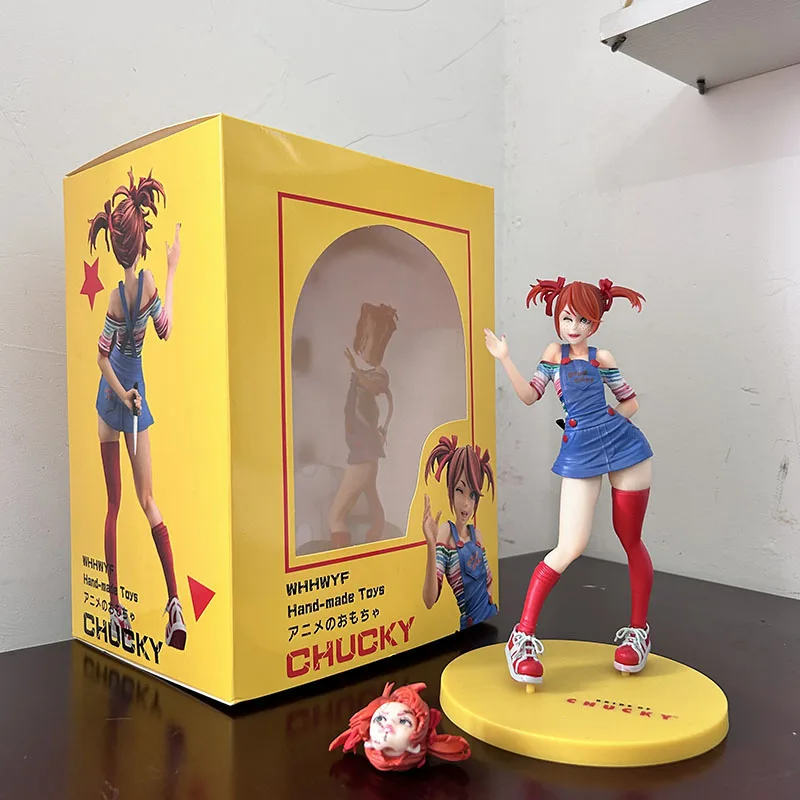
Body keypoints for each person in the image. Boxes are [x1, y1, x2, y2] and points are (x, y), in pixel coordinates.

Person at [484, 276, 654, 686]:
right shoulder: (553, 355)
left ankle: (638, 633)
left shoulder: (602, 357)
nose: (573, 327)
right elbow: (530, 395)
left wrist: (608, 424)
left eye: (583, 320)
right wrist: (504, 359)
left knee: (630, 539)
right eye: (566, 317)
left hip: (625, 447)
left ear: (595, 323)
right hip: (580, 452)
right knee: (570, 546)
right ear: (555, 316)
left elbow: (629, 401)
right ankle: (521, 637)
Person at [89, 167, 187, 651]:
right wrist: (172, 269)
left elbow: (102, 356)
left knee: (117, 503)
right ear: (141, 238)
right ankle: (173, 605)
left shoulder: (114, 297)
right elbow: (165, 329)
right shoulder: (148, 287)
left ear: (115, 244)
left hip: (114, 399)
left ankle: (115, 606)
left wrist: (121, 394)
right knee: (146, 500)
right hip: (131, 396)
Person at [328, 302, 397, 548]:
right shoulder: (364, 373)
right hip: (361, 447)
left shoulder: (378, 373)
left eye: (369, 340)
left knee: (336, 516)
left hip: (364, 450)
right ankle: (377, 528)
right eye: (363, 339)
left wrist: (355, 368)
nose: (364, 345)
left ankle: (341, 558)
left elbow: (376, 388)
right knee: (371, 496)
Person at [421, 435, 498, 629]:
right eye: (459, 490)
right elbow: (429, 600)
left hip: (489, 617)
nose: (466, 503)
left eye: (472, 495)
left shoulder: (476, 534)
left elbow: (489, 581)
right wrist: (431, 545)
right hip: (469, 628)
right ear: (450, 490)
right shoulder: (446, 533)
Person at [329, 681, 471, 771]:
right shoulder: (369, 739)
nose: (388, 725)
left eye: (403, 722)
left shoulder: (418, 743)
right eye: (381, 718)